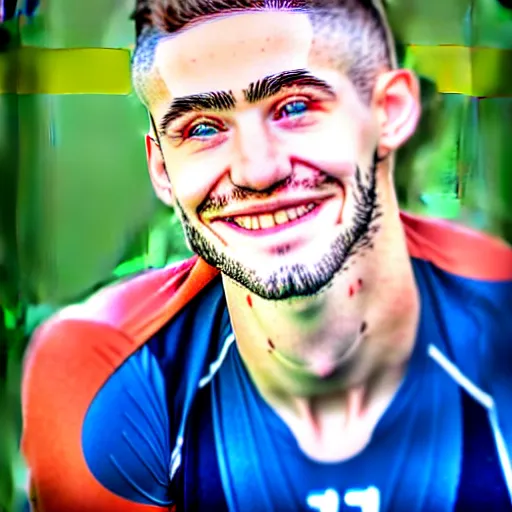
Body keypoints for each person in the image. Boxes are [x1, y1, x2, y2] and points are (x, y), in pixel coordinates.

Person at [21, 1, 512, 511]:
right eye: (203, 128)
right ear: (162, 169)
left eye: (295, 107)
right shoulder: (111, 374)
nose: (257, 171)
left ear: (389, 111)